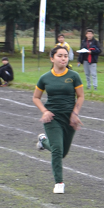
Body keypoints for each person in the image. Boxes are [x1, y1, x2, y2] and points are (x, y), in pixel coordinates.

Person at [33, 45, 84, 194]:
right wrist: (45, 111)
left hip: (69, 119)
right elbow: (36, 97)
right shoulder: (45, 78)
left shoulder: (74, 76)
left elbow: (80, 96)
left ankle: (43, 141)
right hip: (52, 117)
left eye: (65, 56)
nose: (63, 58)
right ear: (52, 58)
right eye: (60, 55)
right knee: (57, 150)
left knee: (62, 153)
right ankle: (59, 182)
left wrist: (75, 113)